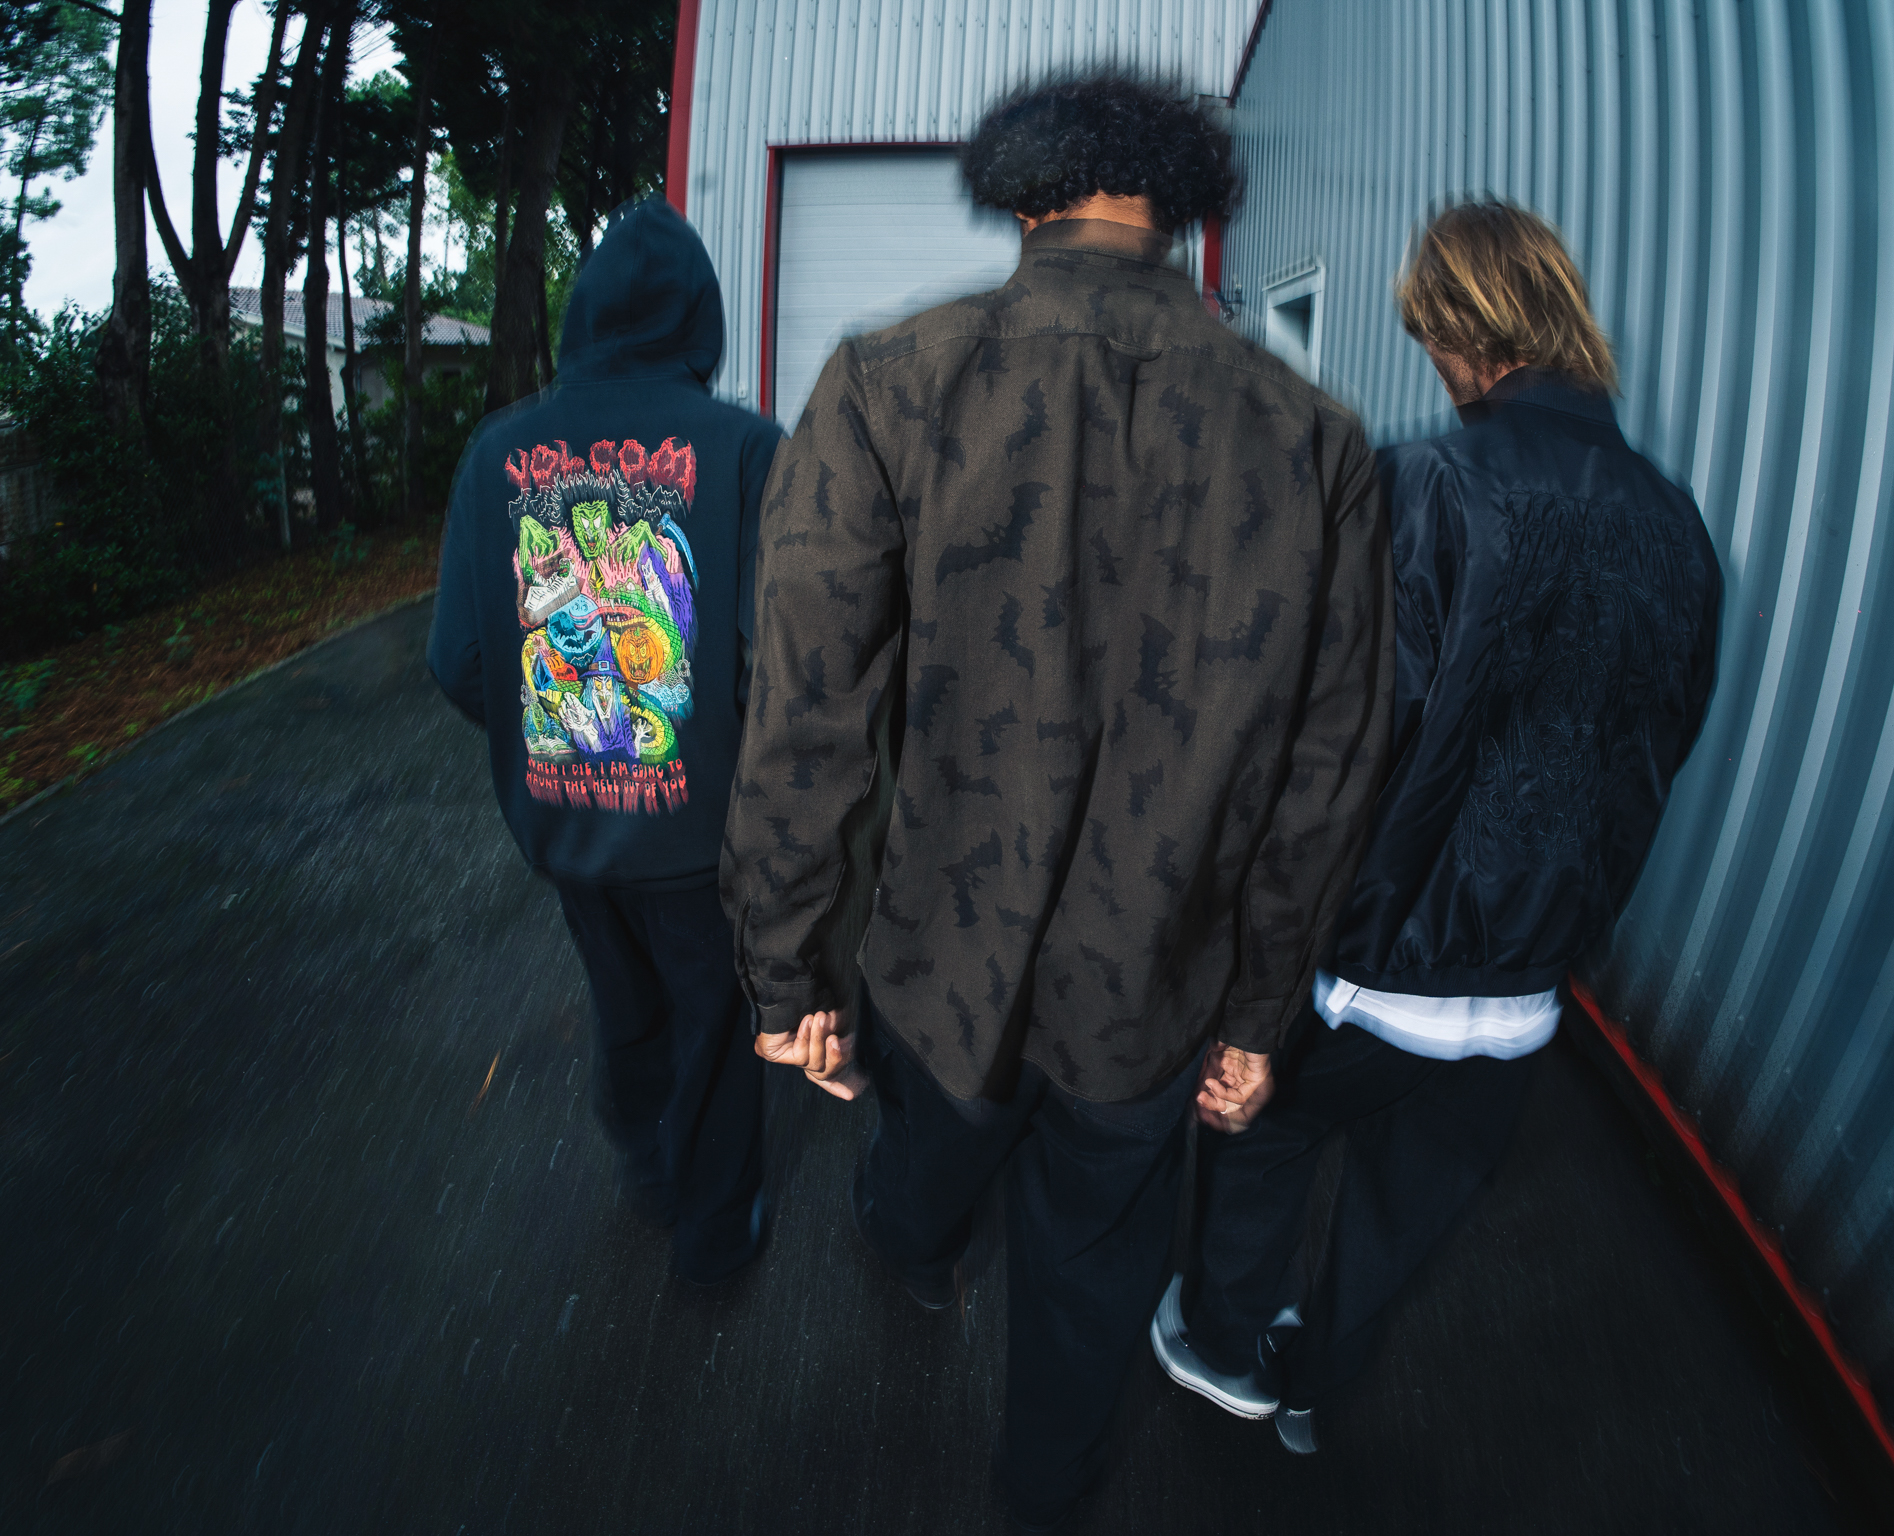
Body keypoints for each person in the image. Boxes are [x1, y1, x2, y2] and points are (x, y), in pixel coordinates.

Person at [719, 74, 1395, 1530]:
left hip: (936, 966)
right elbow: (1327, 768)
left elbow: (804, 701)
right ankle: (1040, 1500)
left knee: (919, 1173)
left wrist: (788, 967)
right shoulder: (1315, 439)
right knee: (1092, 1270)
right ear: (1179, 216)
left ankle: (909, 1242)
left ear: (1028, 200)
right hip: (1154, 990)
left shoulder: (893, 376)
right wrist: (1259, 1018)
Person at [1148, 198, 1723, 1455]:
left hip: (1377, 971)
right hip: (1527, 991)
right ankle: (1317, 1392)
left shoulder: (1429, 484)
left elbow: (1342, 751)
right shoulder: (1677, 527)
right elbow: (1656, 747)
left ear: (1474, 328)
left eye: (1436, 343)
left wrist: (1260, 985)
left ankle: (1227, 1343)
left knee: (1264, 1121)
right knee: (1411, 1208)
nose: (1440, 373)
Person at [428, 198, 783, 1285]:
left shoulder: (496, 452)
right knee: (715, 1023)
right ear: (702, 320)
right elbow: (782, 653)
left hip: (569, 823)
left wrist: (564, 748)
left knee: (623, 1000)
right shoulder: (743, 449)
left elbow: (458, 661)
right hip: (699, 830)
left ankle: (647, 1172)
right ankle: (714, 1240)